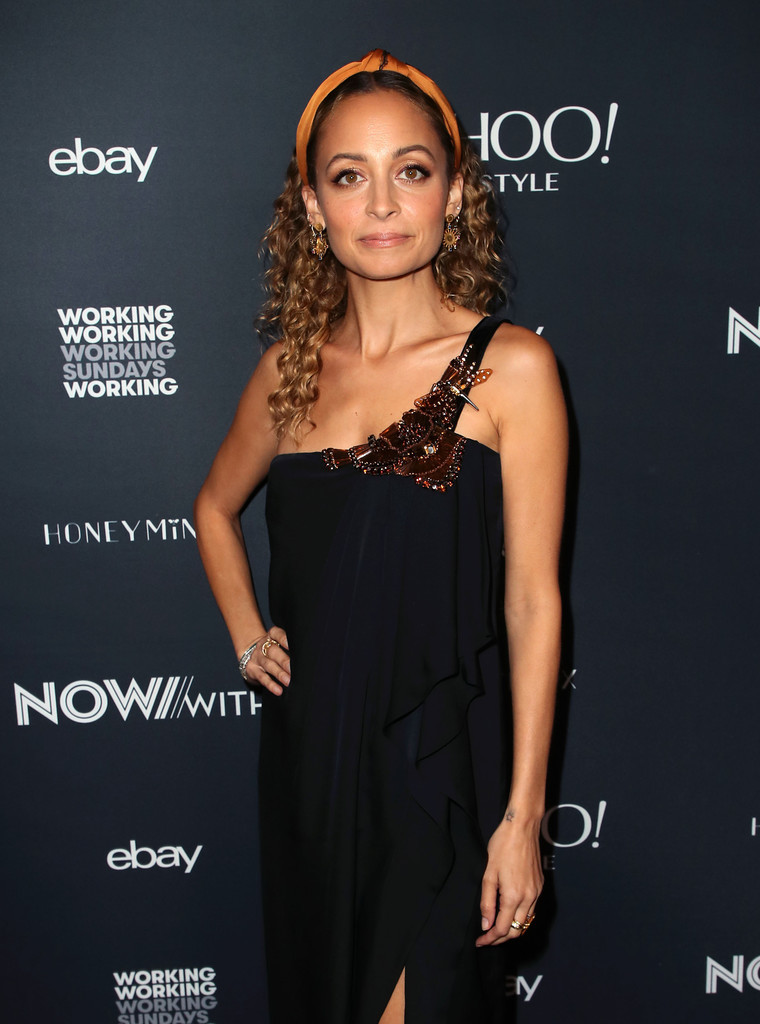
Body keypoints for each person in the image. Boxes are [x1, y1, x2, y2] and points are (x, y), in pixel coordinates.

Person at [194, 49, 567, 1024]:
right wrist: (248, 636)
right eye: (349, 176)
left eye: (411, 169)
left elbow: (533, 601)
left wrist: (523, 816)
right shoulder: (288, 371)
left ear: (454, 194)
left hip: (437, 768)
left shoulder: (512, 368)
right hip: (311, 765)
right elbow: (212, 508)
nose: (384, 202)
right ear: (313, 206)